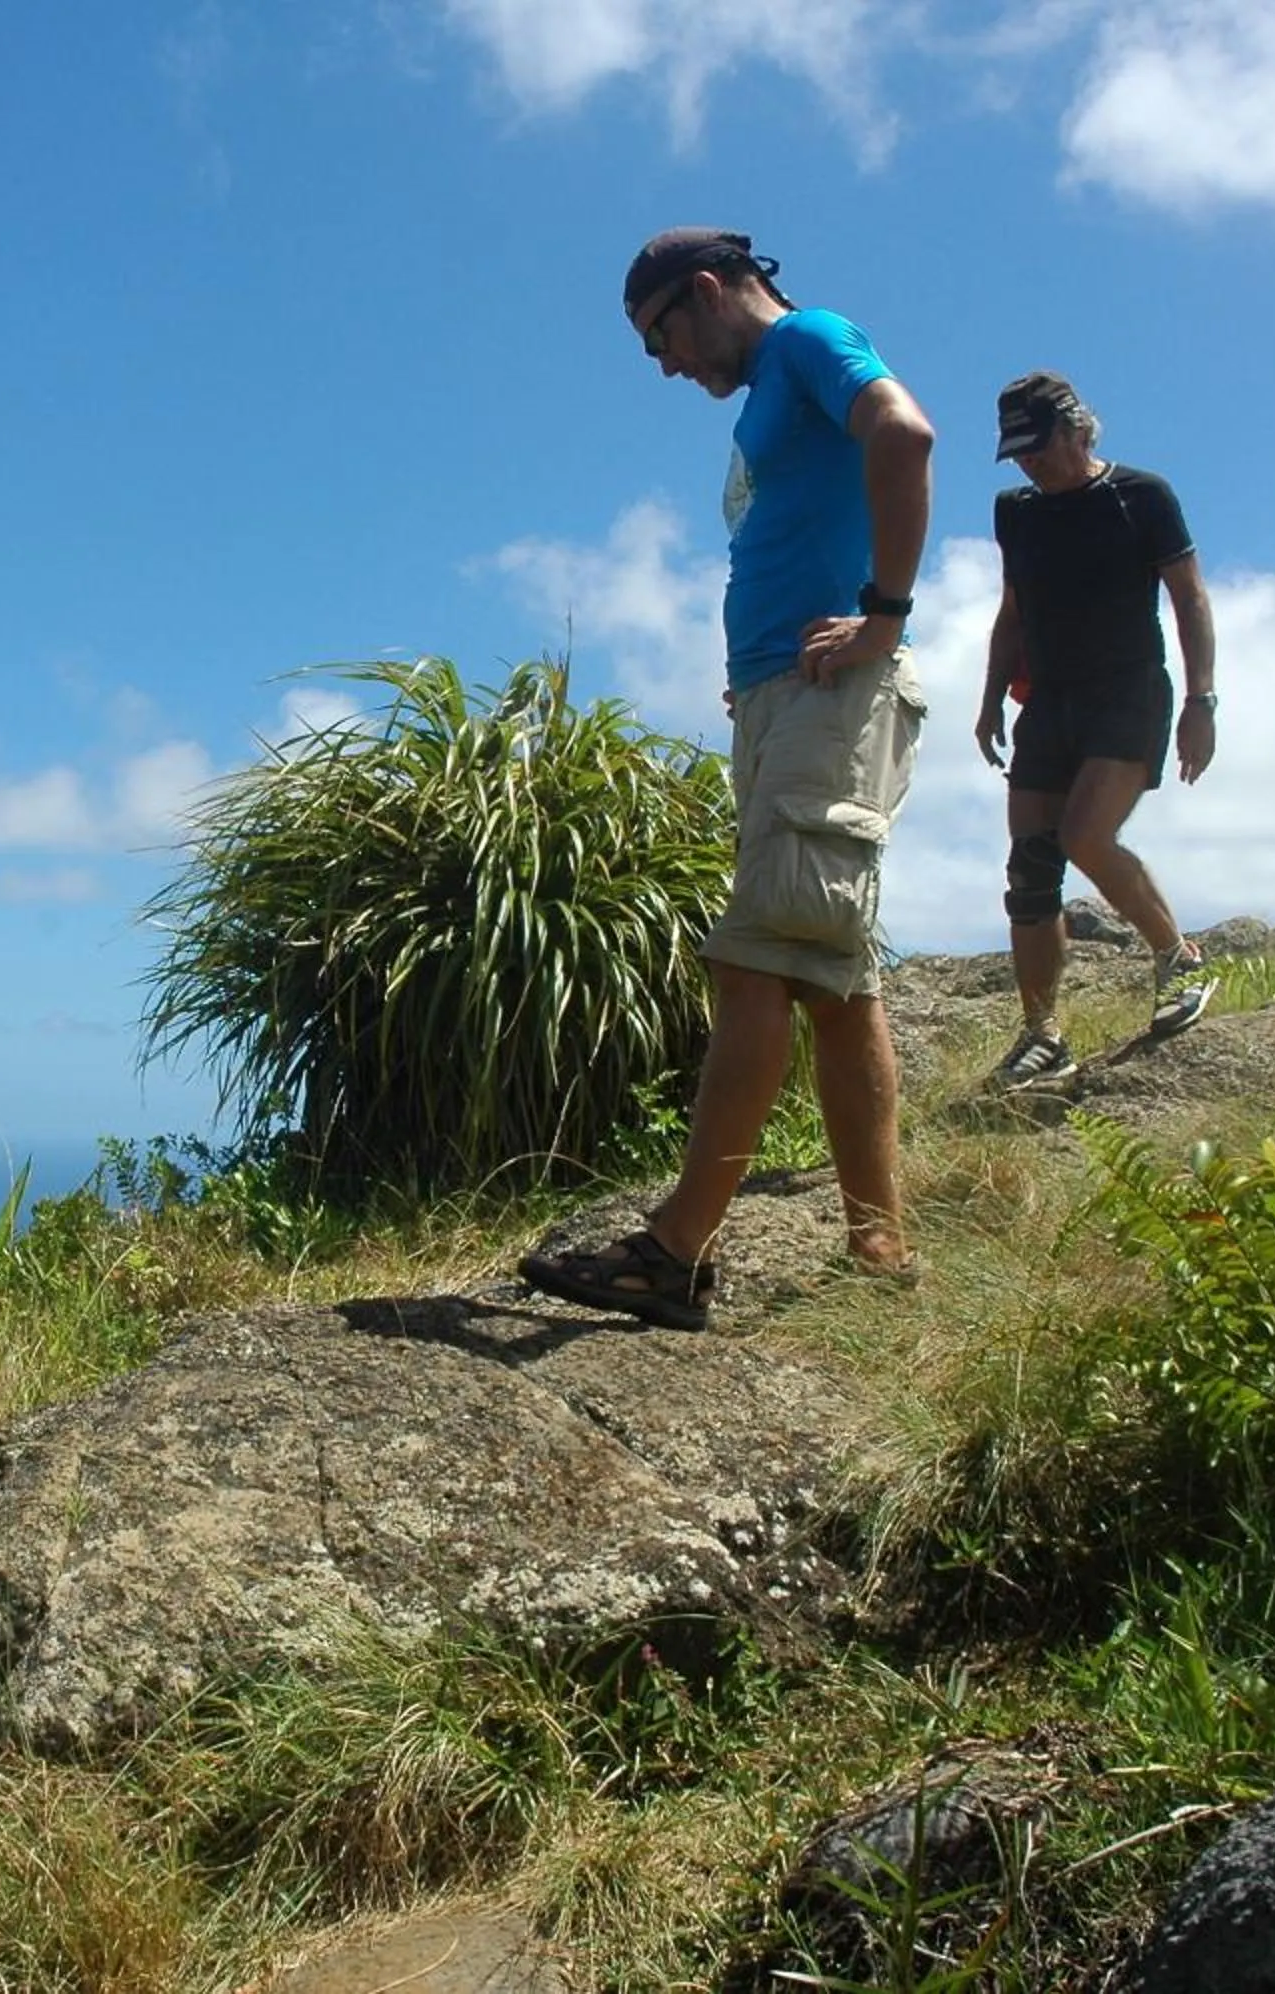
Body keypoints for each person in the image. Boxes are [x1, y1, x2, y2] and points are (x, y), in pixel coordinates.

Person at [519, 227, 934, 1332]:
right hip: (785, 697)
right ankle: (877, 1243)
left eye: (662, 334)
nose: (664, 364)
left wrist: (883, 618)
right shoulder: (773, 391)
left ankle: (675, 1249)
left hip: (824, 697)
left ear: (705, 292)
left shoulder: (808, 340)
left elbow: (903, 430)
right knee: (838, 985)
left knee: (755, 963)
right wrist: (759, 682)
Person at [974, 372, 1219, 1089]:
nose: (1028, 462)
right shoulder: (1015, 513)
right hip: (1048, 699)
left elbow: (1189, 596)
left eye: (1037, 446)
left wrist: (1201, 701)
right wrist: (991, 698)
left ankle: (1180, 959)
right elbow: (1013, 611)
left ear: (1077, 429)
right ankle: (1042, 1035)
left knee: (1085, 836)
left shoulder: (1141, 496)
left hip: (1129, 691)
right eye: (1015, 450)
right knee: (1030, 867)